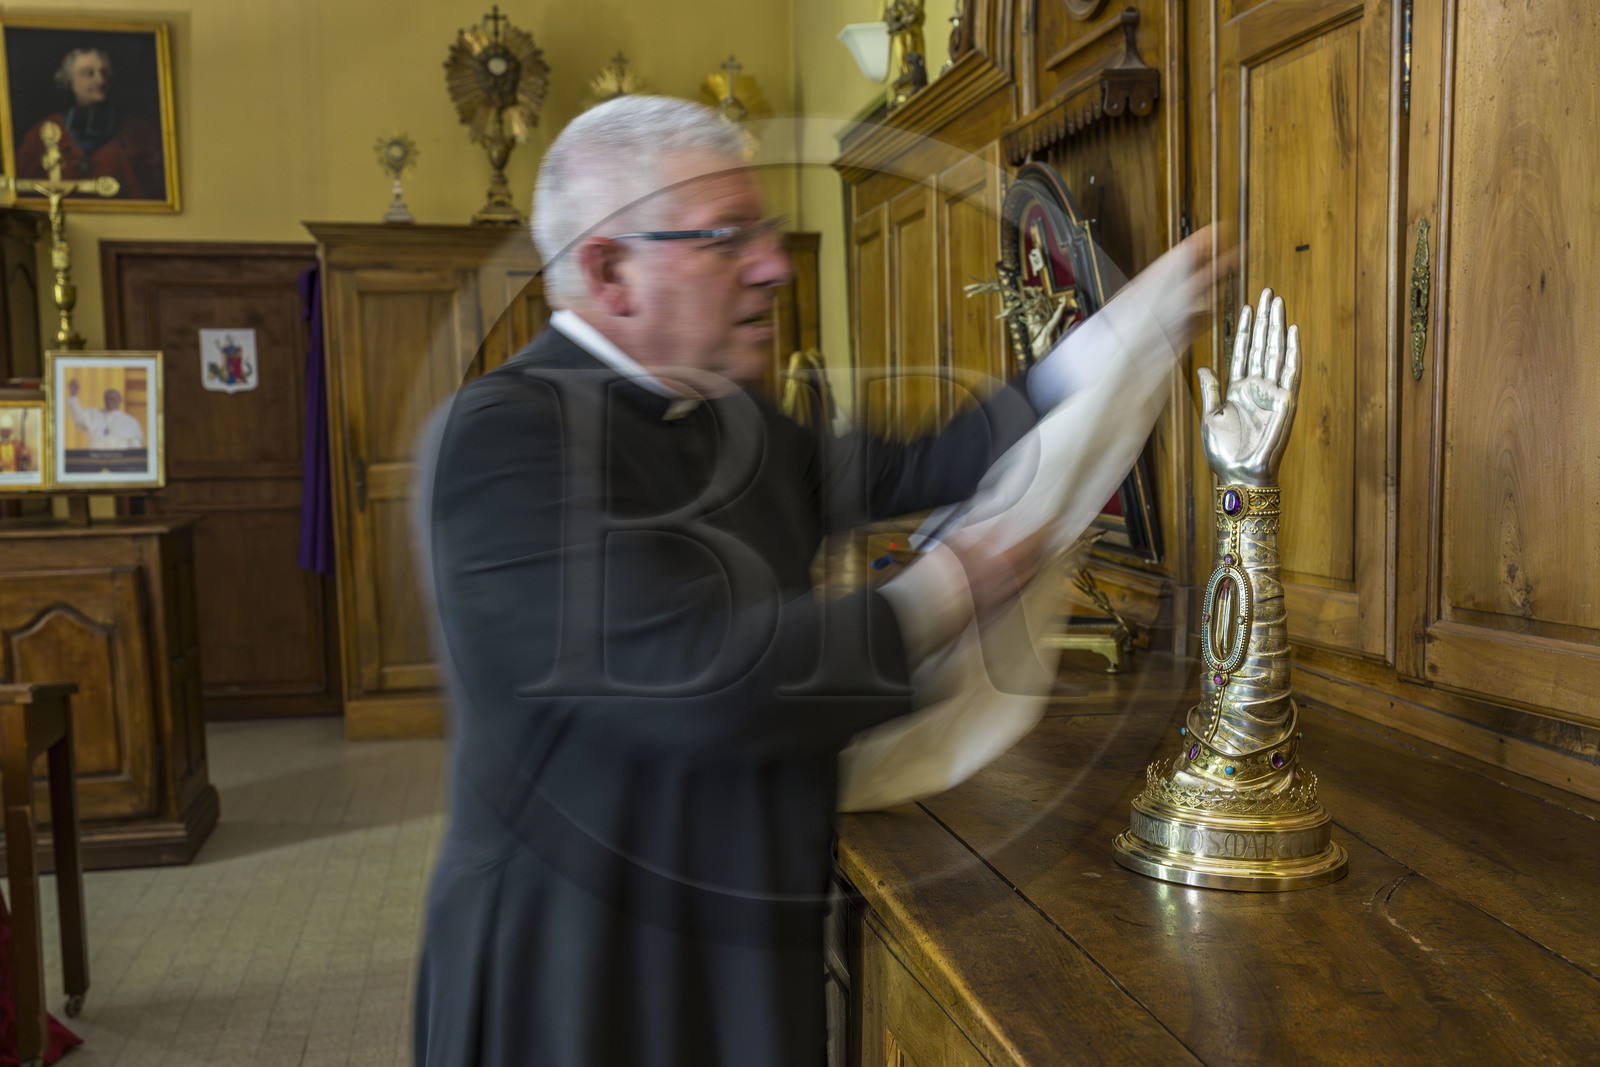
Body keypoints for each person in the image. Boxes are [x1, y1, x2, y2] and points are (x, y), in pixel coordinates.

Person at [413, 95, 1212, 1065]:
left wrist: (1119, 339)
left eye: (764, 230)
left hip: (745, 939)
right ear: (607, 269)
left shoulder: (735, 421)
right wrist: (949, 587)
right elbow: (695, 679)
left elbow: (932, 463)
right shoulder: (501, 439)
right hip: (584, 972)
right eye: (725, 238)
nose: (774, 263)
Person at [16, 47, 164, 200]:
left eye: (104, 73)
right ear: (69, 80)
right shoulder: (45, 131)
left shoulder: (137, 132)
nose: (100, 80)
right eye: (88, 73)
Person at [65, 379, 143, 449]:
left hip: (120, 461)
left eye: (113, 399)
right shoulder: (94, 414)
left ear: (119, 400)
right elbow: (77, 415)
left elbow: (135, 445)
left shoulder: (130, 421)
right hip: (96, 459)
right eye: (107, 399)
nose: (110, 401)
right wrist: (73, 395)